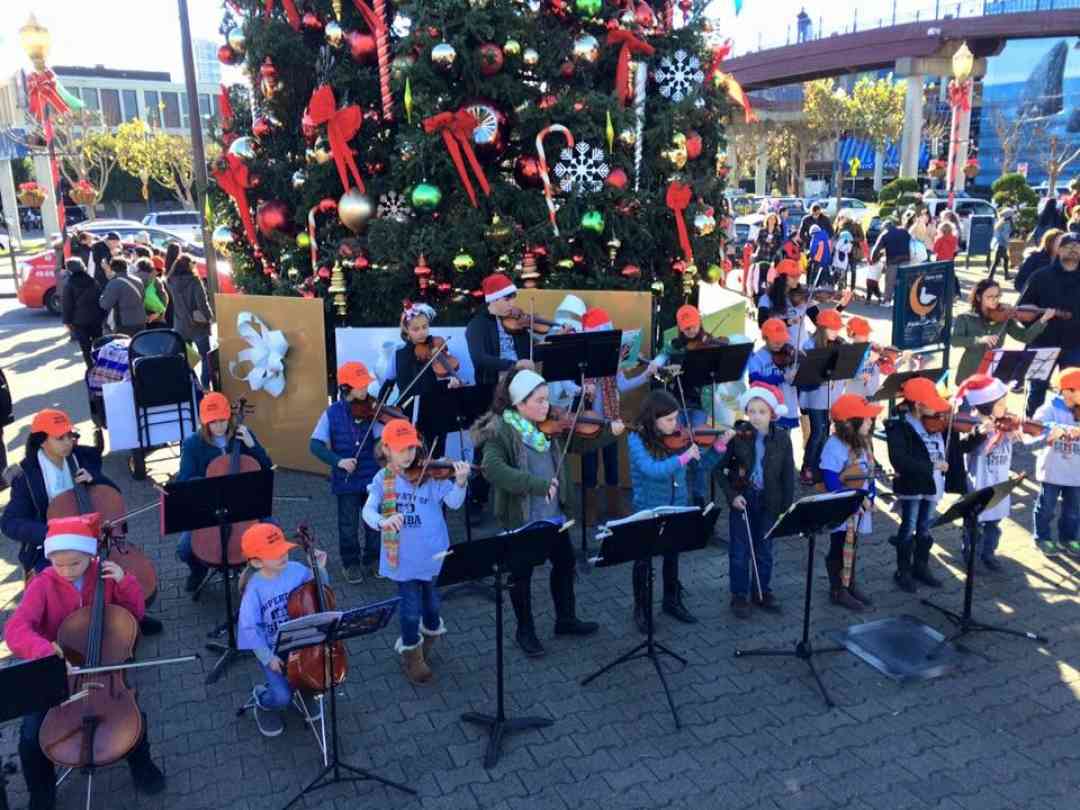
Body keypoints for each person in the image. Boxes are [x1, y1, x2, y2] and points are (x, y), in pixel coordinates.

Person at [4, 513, 166, 809]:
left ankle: (142, 766)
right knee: (30, 737)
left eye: (75, 563)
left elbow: (135, 615)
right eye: (58, 563)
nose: (65, 570)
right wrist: (45, 651)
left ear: (90, 556)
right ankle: (41, 791)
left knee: (135, 720)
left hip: (105, 666)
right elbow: (15, 630)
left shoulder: (105, 575)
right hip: (56, 668)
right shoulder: (43, 584)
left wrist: (125, 583)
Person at [469, 368, 624, 657]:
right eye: (539, 401)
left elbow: (581, 441)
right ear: (519, 403)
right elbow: (493, 469)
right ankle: (524, 630)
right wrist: (536, 484)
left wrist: (608, 434)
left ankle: (565, 620)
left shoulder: (550, 425)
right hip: (522, 518)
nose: (546, 406)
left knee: (565, 564)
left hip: (554, 515)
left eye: (546, 399)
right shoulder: (502, 430)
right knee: (521, 575)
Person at [0, 409, 161, 637]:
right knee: (63, 584)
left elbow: (111, 494)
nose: (68, 443)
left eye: (70, 436)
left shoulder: (82, 457)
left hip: (96, 537)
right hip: (53, 547)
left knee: (119, 574)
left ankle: (132, 614)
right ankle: (73, 630)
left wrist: (95, 478)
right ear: (42, 441)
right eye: (60, 438)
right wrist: (51, 533)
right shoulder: (26, 475)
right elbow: (9, 523)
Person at [362, 419, 469, 684]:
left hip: (433, 554)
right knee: (410, 611)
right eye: (402, 449)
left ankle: (424, 645)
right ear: (386, 449)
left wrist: (461, 482)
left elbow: (454, 504)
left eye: (412, 448)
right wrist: (382, 521)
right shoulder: (382, 479)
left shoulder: (431, 475)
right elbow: (368, 510)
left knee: (432, 608)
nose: (410, 455)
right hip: (403, 560)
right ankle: (412, 655)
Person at [626, 390, 731, 631]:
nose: (676, 425)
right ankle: (641, 608)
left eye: (677, 419)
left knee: (672, 556)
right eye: (670, 420)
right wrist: (683, 458)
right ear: (653, 419)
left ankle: (671, 601)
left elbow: (702, 465)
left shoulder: (678, 438)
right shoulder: (636, 440)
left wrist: (719, 447)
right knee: (644, 560)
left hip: (677, 506)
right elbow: (651, 469)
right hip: (649, 508)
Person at [236, 522, 328, 737]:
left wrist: (319, 569)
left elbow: (321, 590)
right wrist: (268, 658)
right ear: (257, 562)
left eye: (283, 549)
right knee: (282, 697)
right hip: (274, 649)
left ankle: (304, 690)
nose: (283, 555)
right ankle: (263, 701)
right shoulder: (254, 589)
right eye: (274, 553)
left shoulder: (296, 570)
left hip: (302, 642)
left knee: (312, 678)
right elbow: (249, 628)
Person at [176, 393, 272, 591]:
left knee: (272, 533)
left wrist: (252, 445)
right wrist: (209, 485)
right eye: (213, 422)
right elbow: (184, 480)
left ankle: (260, 574)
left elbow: (266, 468)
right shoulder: (192, 444)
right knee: (185, 548)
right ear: (204, 423)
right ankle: (198, 570)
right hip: (209, 509)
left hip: (245, 507)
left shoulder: (243, 434)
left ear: (229, 417)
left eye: (223, 420)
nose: (219, 426)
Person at [718, 382, 795, 618]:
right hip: (744, 498)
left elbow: (788, 475)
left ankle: (762, 590)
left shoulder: (782, 438)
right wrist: (733, 496)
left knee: (765, 550)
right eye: (751, 411)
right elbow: (718, 470)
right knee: (740, 550)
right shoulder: (738, 435)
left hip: (769, 501)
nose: (756, 417)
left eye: (762, 412)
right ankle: (739, 595)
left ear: (772, 413)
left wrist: (786, 508)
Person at [885, 378, 966, 592]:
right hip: (913, 487)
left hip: (933, 486)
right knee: (908, 527)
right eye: (931, 405)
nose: (937, 410)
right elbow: (900, 459)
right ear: (918, 405)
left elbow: (957, 448)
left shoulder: (937, 423)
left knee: (925, 528)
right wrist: (931, 465)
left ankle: (921, 567)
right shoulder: (898, 426)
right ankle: (903, 571)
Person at [577, 307, 658, 522]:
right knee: (590, 466)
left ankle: (614, 505)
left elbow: (622, 385)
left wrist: (646, 375)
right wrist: (581, 389)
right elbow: (570, 387)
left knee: (612, 463)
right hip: (589, 422)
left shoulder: (615, 359)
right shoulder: (581, 359)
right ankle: (590, 508)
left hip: (612, 420)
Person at [308, 362, 383, 584]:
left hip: (371, 477)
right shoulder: (331, 414)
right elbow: (315, 445)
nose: (365, 390)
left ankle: (373, 560)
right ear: (346, 387)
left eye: (366, 385)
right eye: (360, 386)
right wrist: (338, 461)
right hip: (346, 479)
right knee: (348, 524)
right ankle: (350, 563)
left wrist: (384, 444)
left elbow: (379, 440)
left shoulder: (373, 409)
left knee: (374, 523)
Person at [465, 273, 535, 508]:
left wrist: (555, 337)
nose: (512, 304)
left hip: (519, 390)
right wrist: (511, 365)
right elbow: (480, 358)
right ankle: (477, 497)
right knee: (485, 444)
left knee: (521, 439)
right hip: (491, 391)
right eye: (507, 299)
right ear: (493, 300)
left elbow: (530, 352)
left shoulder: (517, 325)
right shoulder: (477, 325)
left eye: (513, 298)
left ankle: (520, 491)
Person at [818, 394, 881, 610]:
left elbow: (869, 473)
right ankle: (838, 589)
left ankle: (849, 582)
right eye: (866, 419)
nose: (871, 422)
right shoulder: (834, 446)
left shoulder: (863, 443)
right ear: (852, 423)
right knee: (838, 547)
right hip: (842, 508)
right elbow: (830, 479)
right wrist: (855, 501)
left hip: (858, 507)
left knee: (852, 546)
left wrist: (871, 497)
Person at [955, 375, 1019, 571]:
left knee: (994, 524)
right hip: (979, 486)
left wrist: (1017, 433)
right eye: (1001, 403)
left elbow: (1027, 437)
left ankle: (988, 553)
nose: (1006, 406)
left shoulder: (1006, 423)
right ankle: (971, 555)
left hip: (1000, 484)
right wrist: (979, 433)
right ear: (986, 406)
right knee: (974, 525)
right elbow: (963, 446)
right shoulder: (973, 425)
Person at [654, 304, 717, 503]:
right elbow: (663, 355)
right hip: (678, 403)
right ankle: (678, 497)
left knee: (699, 451)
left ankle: (699, 498)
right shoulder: (675, 345)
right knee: (678, 449)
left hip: (700, 404)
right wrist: (658, 363)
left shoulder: (709, 343)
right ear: (680, 328)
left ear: (700, 322)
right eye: (686, 327)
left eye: (694, 325)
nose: (691, 330)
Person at [1018, 233, 1080, 416]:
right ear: (1059, 250)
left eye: (1078, 245)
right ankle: (1031, 427)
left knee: (1074, 390)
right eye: (1068, 245)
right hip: (1042, 343)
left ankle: (1070, 432)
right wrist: (1037, 326)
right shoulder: (1040, 276)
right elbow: (1022, 309)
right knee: (1037, 389)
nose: (1073, 249)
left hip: (1076, 344)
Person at [392, 302, 462, 458]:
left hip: (438, 410)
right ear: (407, 331)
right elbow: (408, 387)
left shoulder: (435, 345)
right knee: (419, 455)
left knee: (437, 454)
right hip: (417, 414)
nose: (422, 333)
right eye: (416, 329)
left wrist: (450, 381)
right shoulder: (402, 355)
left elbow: (443, 374)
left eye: (425, 327)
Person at [952, 279, 1053, 383]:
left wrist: (1042, 320)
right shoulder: (965, 318)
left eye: (997, 296)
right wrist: (980, 339)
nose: (995, 300)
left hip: (994, 372)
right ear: (978, 297)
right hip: (970, 371)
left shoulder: (1004, 317)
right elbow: (955, 341)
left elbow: (1025, 337)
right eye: (990, 297)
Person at [1026, 368, 1080, 557]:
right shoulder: (1048, 408)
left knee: (1074, 510)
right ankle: (1042, 537)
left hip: (1076, 473)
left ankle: (1069, 538)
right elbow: (1033, 433)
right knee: (1046, 507)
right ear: (1067, 391)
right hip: (1053, 470)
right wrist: (1053, 431)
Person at [797, 309, 847, 485]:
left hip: (830, 397)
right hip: (814, 397)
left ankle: (819, 467)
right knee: (818, 432)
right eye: (832, 329)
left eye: (837, 328)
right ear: (822, 328)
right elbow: (804, 376)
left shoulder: (838, 344)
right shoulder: (810, 346)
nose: (836, 332)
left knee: (825, 432)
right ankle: (807, 467)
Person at [167, 254, 214, 390]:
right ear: (189, 266)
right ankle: (205, 385)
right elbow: (202, 303)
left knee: (185, 357)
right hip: (198, 325)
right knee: (206, 356)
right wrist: (209, 317)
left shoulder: (170, 282)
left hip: (180, 325)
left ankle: (190, 384)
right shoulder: (195, 281)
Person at [747, 317, 800, 432]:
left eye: (782, 340)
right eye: (775, 340)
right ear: (765, 338)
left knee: (785, 443)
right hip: (767, 409)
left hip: (787, 406)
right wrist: (782, 377)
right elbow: (755, 380)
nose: (779, 343)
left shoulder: (789, 354)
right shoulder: (757, 358)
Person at [60, 257, 105, 369]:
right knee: (98, 343)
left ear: (69, 269)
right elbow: (100, 298)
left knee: (86, 348)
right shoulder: (92, 280)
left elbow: (67, 305)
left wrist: (67, 321)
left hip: (79, 321)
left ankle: (91, 368)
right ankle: (102, 366)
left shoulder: (69, 284)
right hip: (96, 318)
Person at [97, 257, 146, 337]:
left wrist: (102, 296)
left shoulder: (114, 283)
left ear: (112, 269)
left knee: (124, 346)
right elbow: (143, 298)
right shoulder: (138, 280)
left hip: (124, 322)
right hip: (141, 319)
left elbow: (104, 305)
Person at [870, 218, 912, 308]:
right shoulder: (904, 232)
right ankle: (905, 302)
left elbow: (876, 249)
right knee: (904, 282)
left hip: (893, 261)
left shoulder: (885, 234)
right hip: (906, 259)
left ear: (885, 228)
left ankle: (887, 301)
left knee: (890, 281)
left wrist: (873, 260)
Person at [1014, 228, 1063, 293]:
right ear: (1049, 242)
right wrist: (1031, 294)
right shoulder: (1034, 258)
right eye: (1059, 242)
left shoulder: (1065, 261)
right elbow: (1019, 282)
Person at [988, 211, 1014, 281]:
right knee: (997, 261)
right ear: (1009, 217)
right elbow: (1005, 235)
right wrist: (1009, 241)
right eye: (1012, 216)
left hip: (997, 244)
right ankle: (990, 277)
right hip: (1001, 244)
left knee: (1005, 259)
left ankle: (1005, 275)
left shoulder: (999, 222)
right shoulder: (1006, 224)